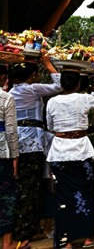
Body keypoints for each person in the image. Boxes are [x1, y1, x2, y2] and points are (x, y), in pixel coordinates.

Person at [46, 70, 94, 249]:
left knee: (63, 197)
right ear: (77, 85)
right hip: (81, 151)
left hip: (59, 152)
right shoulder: (84, 98)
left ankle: (65, 241)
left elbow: (50, 126)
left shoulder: (52, 101)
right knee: (86, 193)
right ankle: (88, 237)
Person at [8, 56, 62, 243]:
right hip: (31, 144)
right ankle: (25, 231)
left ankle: (19, 227)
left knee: (20, 186)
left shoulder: (11, 91)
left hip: (16, 141)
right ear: (32, 75)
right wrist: (48, 63)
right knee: (30, 189)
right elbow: (59, 85)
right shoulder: (31, 89)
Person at [0, 64, 28, 249]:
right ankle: (8, 242)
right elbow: (11, 131)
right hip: (2, 153)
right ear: (3, 78)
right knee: (6, 197)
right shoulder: (6, 98)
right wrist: (15, 157)